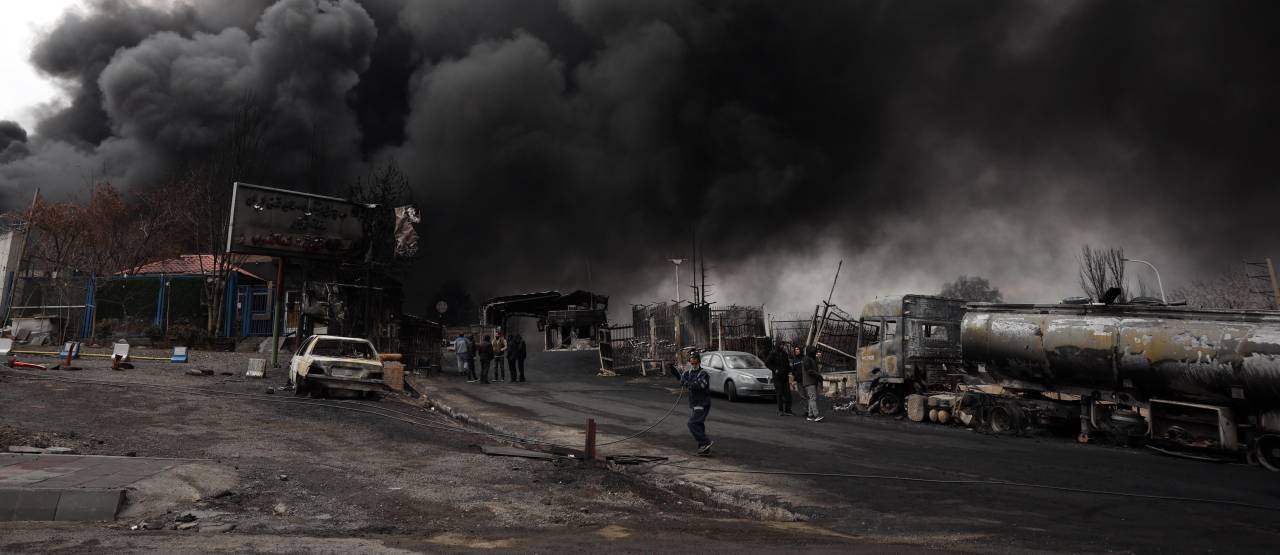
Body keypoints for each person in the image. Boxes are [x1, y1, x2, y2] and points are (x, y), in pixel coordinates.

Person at [680, 353, 714, 455]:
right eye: (691, 360)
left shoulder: (703, 374)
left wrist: (687, 383)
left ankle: (705, 442)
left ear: (699, 361)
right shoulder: (688, 372)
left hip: (702, 403)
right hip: (694, 403)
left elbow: (700, 386)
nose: (693, 362)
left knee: (692, 423)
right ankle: (704, 449)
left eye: (695, 360)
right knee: (699, 424)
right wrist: (681, 378)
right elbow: (682, 378)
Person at [766, 343, 794, 416]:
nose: (782, 346)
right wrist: (775, 369)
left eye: (783, 345)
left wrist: (790, 370)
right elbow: (767, 363)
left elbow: (787, 364)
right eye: (781, 345)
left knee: (788, 394)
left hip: (785, 376)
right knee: (779, 394)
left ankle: (788, 410)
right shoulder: (773, 353)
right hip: (777, 377)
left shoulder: (785, 353)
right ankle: (781, 411)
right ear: (778, 345)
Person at [802, 346, 825, 422]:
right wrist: (818, 376)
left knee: (811, 399)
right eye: (815, 352)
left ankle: (810, 415)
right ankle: (816, 415)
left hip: (811, 382)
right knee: (813, 398)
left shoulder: (811, 358)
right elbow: (809, 371)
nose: (815, 353)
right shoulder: (807, 359)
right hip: (809, 382)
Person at [790, 345, 807, 417]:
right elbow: (793, 371)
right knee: (802, 396)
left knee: (808, 395)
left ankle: (811, 410)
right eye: (795, 349)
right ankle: (807, 411)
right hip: (799, 380)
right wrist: (792, 382)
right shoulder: (794, 360)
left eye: (797, 349)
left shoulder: (804, 358)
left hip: (806, 380)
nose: (796, 350)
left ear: (800, 350)